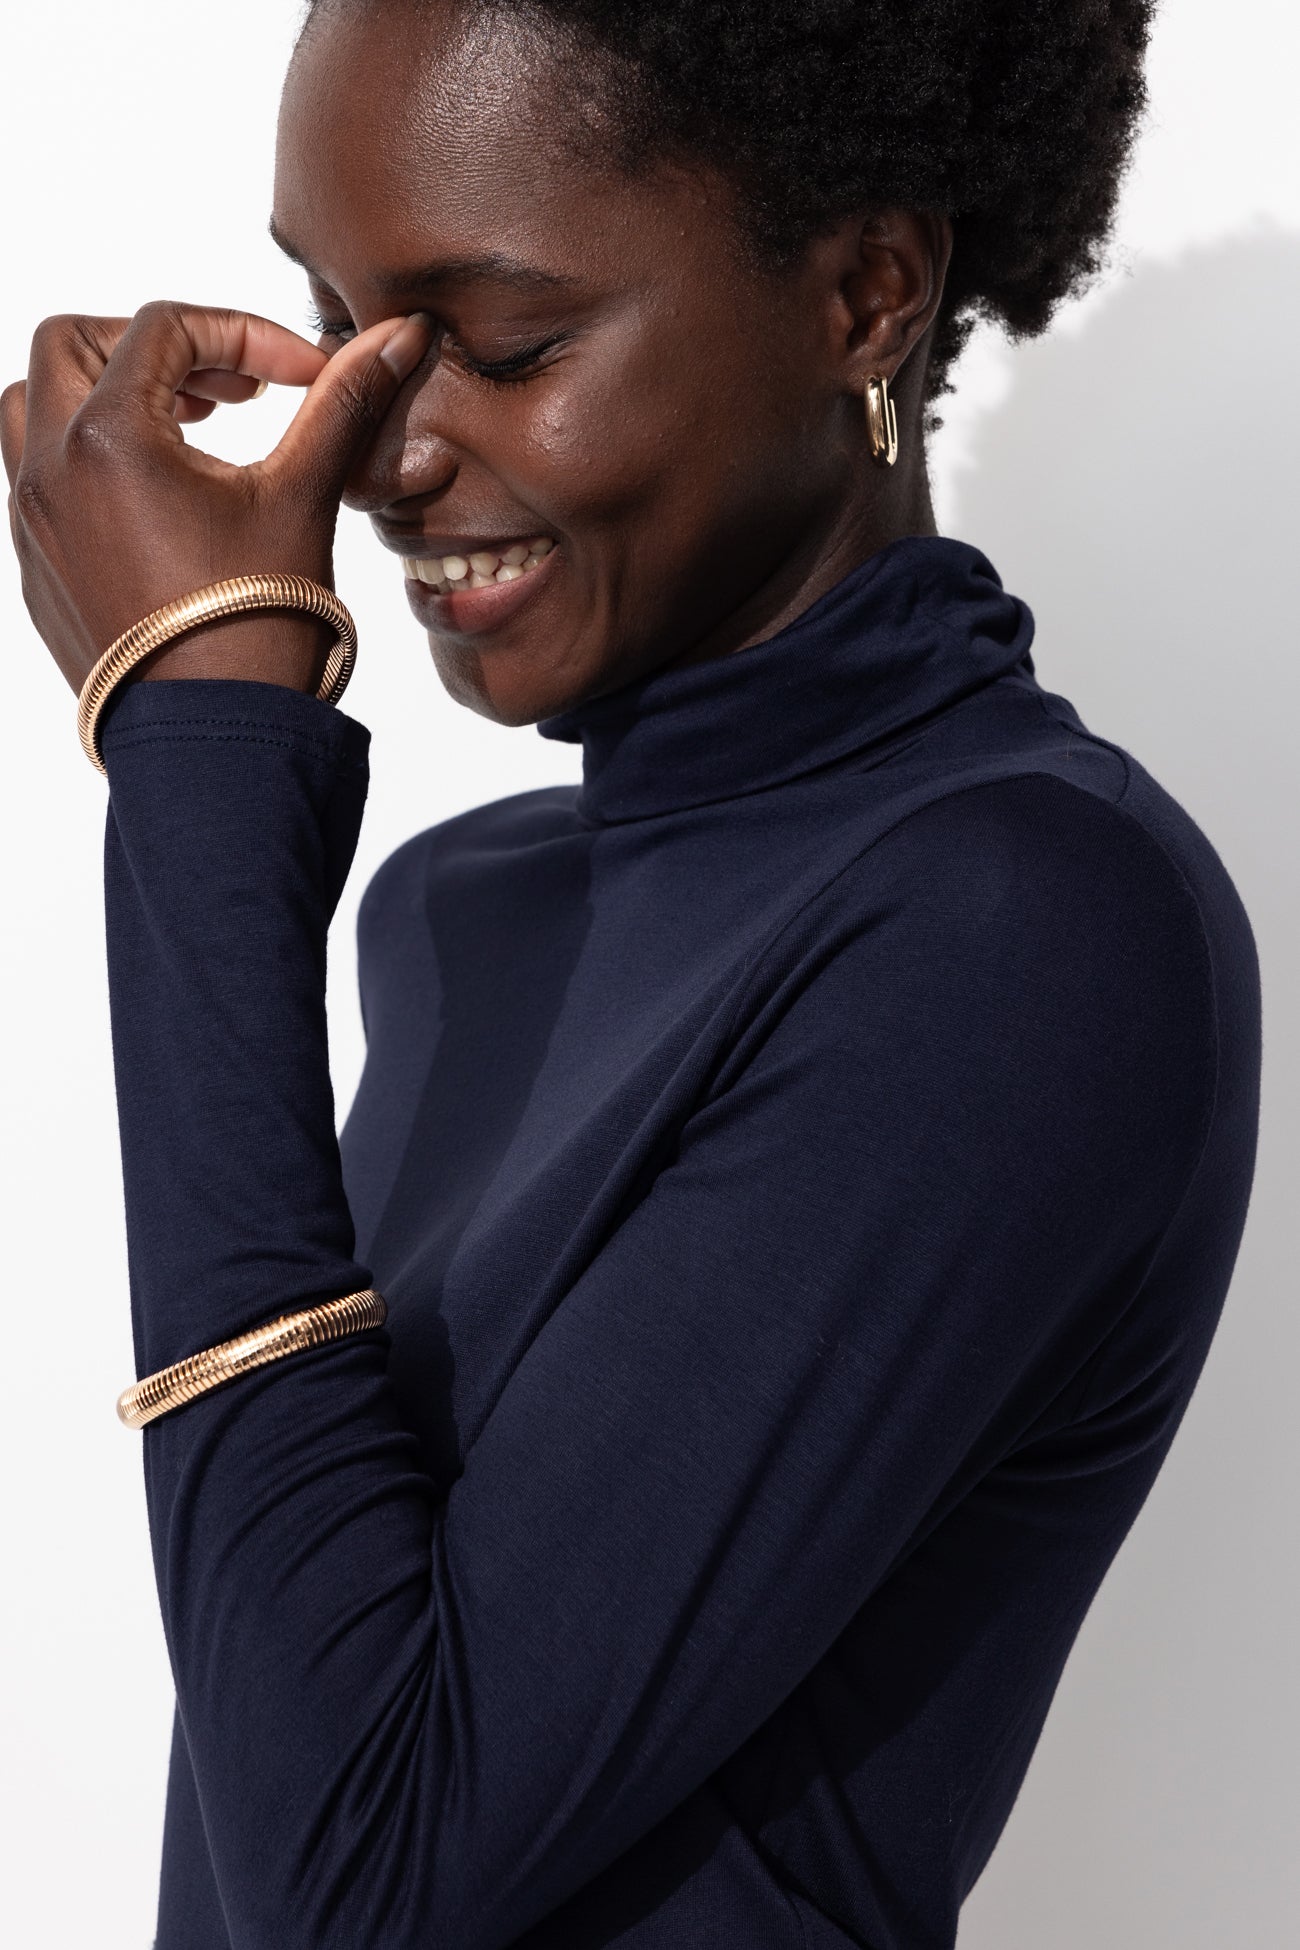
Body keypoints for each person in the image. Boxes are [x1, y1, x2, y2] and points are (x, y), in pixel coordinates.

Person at [1, 2, 1261, 1946]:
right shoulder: (467, 914)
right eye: (341, 330)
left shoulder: (1019, 927)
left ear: (865, 295)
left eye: (504, 346)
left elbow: (363, 1877)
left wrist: (195, 760)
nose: (379, 456)